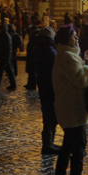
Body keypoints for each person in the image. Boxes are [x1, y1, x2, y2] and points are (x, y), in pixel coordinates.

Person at [52, 24, 88, 175]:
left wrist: (83, 62)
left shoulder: (67, 55)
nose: (77, 39)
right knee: (79, 145)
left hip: (71, 106)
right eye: (74, 36)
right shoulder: (67, 57)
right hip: (73, 108)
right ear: (66, 39)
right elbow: (82, 80)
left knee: (68, 144)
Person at [33, 25, 61, 155]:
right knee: (50, 116)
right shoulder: (49, 50)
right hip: (49, 87)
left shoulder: (41, 47)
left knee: (50, 116)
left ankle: (49, 143)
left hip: (45, 86)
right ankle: (47, 145)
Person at [0, 22, 17, 90]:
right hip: (6, 56)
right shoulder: (6, 36)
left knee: (0, 71)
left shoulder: (4, 36)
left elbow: (2, 47)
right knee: (9, 71)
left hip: (5, 56)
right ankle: (13, 84)